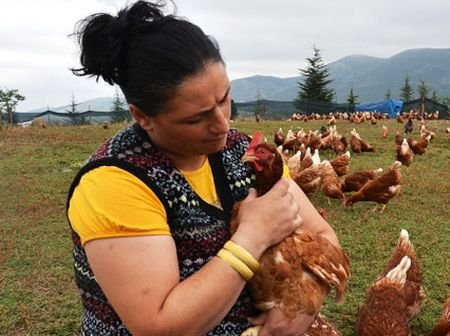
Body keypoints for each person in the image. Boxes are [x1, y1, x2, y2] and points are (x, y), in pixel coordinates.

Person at [67, 1, 341, 335]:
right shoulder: (114, 182)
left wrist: (302, 305)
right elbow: (160, 327)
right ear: (142, 116)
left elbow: (326, 239)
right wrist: (252, 238)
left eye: (225, 98)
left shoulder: (242, 152)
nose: (222, 124)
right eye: (196, 117)